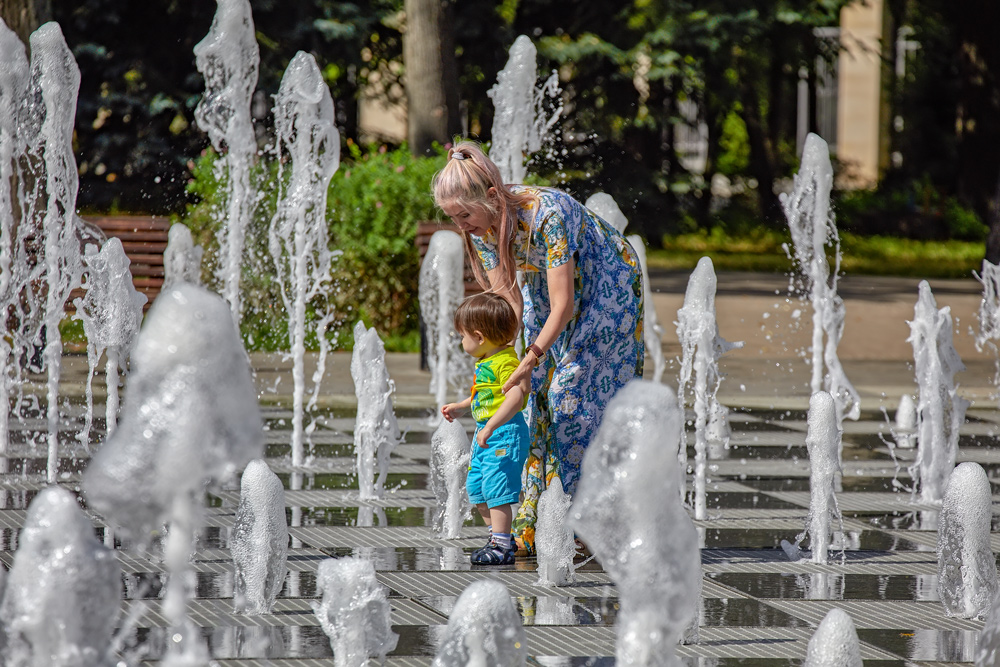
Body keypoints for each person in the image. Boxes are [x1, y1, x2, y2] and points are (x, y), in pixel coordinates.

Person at [433, 140, 644, 555]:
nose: (461, 226)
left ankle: (591, 521)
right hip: (549, 286)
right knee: (535, 399)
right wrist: (503, 366)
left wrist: (532, 358)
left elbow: (562, 305)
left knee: (571, 397)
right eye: (451, 218)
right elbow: (508, 307)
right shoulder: (483, 230)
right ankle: (536, 516)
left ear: (492, 198)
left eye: (464, 214)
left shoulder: (548, 215)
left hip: (607, 283)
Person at [441, 292, 530, 565]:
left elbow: (517, 396)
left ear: (479, 337)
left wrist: (491, 425)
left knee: (497, 489)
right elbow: (486, 396)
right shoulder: (487, 362)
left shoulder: (506, 362)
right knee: (477, 488)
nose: (461, 341)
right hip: (487, 435)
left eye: (462, 336)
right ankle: (497, 538)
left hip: (504, 434)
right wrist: (462, 406)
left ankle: (502, 545)